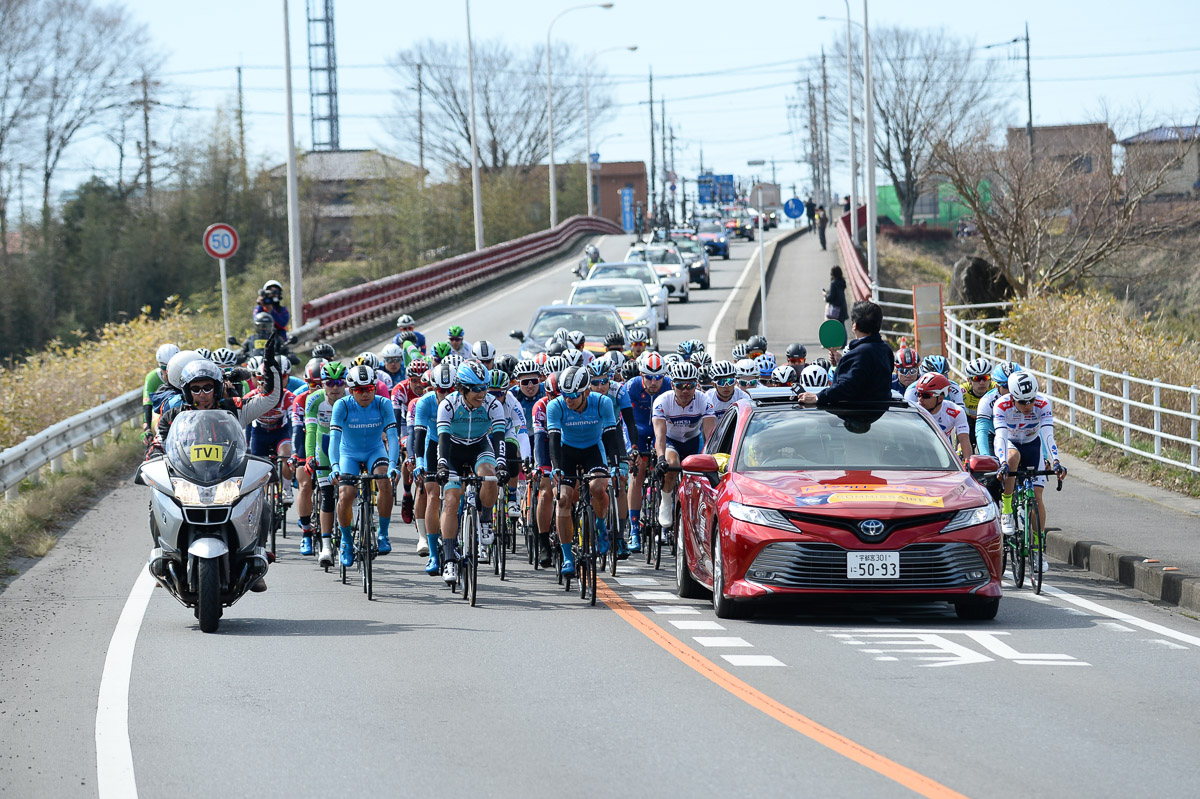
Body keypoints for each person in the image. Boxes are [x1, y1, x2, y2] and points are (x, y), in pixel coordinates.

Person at [546, 365, 625, 575]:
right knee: (563, 499)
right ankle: (568, 557)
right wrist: (555, 468)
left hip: (593, 450)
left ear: (587, 392)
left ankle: (600, 525)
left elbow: (610, 435)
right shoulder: (556, 406)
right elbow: (553, 439)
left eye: (573, 394)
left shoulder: (602, 402)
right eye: (564, 394)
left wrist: (615, 464)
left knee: (598, 488)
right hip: (566, 452)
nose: (568, 399)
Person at [435, 361, 507, 584]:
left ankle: (485, 519)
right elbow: (443, 440)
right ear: (462, 388)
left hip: (479, 446)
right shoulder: (448, 405)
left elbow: (499, 437)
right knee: (451, 499)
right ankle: (448, 558)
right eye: (476, 388)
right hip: (453, 450)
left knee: (491, 474)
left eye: (484, 387)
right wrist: (443, 465)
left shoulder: (493, 404)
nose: (482, 393)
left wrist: (502, 464)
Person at [994, 372, 1067, 572]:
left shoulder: (1042, 404)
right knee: (1012, 459)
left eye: (1031, 400)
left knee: (1037, 496)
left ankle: (1038, 549)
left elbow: (1047, 435)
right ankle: (1007, 510)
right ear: (1012, 397)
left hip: (1033, 446)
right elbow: (1000, 436)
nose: (1028, 406)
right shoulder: (1001, 405)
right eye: (1023, 401)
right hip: (1011, 443)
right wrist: (1002, 464)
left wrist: (1057, 461)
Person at [328, 364, 400, 566]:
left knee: (385, 481)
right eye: (359, 390)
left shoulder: (383, 404)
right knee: (346, 494)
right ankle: (346, 541)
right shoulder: (342, 405)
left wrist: (393, 464)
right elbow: (334, 439)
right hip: (348, 454)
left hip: (374, 450)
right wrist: (335, 466)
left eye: (369, 388)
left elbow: (393, 437)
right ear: (351, 390)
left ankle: (383, 534)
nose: (365, 393)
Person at [652, 361, 715, 530]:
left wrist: (713, 459)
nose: (685, 390)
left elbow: (709, 434)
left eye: (690, 385)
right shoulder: (662, 401)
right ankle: (666, 503)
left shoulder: (704, 400)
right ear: (672, 385)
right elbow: (660, 435)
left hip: (693, 441)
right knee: (672, 465)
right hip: (671, 440)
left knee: (697, 477)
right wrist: (660, 459)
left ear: (697, 385)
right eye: (680, 386)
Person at [796, 300, 893, 406]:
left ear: (854, 326)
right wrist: (842, 362)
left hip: (858, 416)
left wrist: (818, 397)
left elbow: (847, 387)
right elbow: (868, 378)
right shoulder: (886, 350)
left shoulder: (859, 353)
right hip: (881, 412)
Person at [625, 352, 672, 551]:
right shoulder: (631, 387)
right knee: (637, 471)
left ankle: (665, 522)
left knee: (668, 468)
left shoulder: (670, 385)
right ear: (641, 375)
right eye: (649, 377)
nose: (654, 382)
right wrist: (631, 448)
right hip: (638, 430)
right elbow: (626, 422)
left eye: (658, 377)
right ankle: (634, 530)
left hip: (662, 430)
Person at [303, 361, 348, 568]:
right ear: (322, 384)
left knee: (350, 493)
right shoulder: (314, 400)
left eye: (340, 382)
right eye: (330, 382)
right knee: (327, 496)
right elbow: (311, 431)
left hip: (347, 447)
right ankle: (326, 545)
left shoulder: (351, 399)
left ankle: (350, 534)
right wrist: (310, 455)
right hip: (324, 446)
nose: (335, 387)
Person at [912, 373, 972, 459]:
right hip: (916, 452)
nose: (920, 399)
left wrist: (968, 465)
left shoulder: (956, 411)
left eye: (926, 395)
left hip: (942, 454)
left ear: (940, 398)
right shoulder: (913, 411)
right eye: (918, 394)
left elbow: (964, 441)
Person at [142, 343, 179, 443]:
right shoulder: (152, 377)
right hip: (162, 411)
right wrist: (148, 429)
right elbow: (147, 405)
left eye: (171, 367)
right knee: (159, 425)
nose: (168, 372)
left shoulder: (183, 371)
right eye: (164, 368)